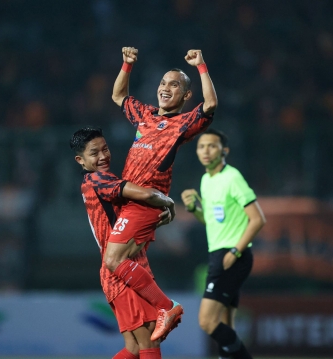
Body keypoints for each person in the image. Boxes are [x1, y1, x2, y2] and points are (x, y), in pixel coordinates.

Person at [109, 46, 218, 341]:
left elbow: (210, 104)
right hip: (128, 202)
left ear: (184, 96)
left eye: (174, 85)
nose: (165, 88)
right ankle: (149, 316)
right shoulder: (143, 115)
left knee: (113, 260)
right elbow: (119, 96)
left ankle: (166, 307)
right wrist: (127, 65)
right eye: (163, 83)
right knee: (128, 265)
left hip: (146, 201)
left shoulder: (182, 124)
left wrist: (201, 65)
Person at [70, 127, 178, 359]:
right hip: (122, 270)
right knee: (150, 339)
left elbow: (128, 221)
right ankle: (167, 306)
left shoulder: (92, 182)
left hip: (119, 268)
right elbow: (148, 195)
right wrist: (168, 202)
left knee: (135, 348)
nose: (103, 156)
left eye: (105, 149)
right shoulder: (98, 179)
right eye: (94, 153)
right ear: (80, 160)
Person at [181, 128, 266, 359]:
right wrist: (193, 209)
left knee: (207, 321)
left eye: (212, 146)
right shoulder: (206, 180)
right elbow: (210, 221)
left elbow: (258, 219)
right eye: (201, 146)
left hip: (231, 256)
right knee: (226, 323)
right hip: (219, 254)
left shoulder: (232, 177)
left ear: (224, 151)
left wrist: (235, 251)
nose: (205, 151)